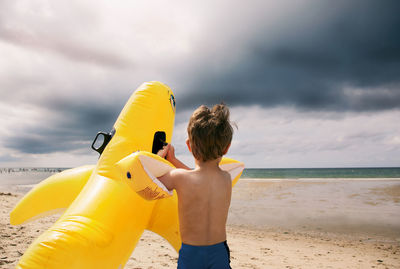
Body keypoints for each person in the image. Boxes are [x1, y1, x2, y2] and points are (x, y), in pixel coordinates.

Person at [157, 103, 234, 269]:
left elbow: (153, 180)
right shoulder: (226, 178)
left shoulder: (179, 178)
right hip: (219, 251)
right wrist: (174, 161)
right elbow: (200, 178)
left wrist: (159, 157)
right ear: (226, 148)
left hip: (191, 254)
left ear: (189, 145)